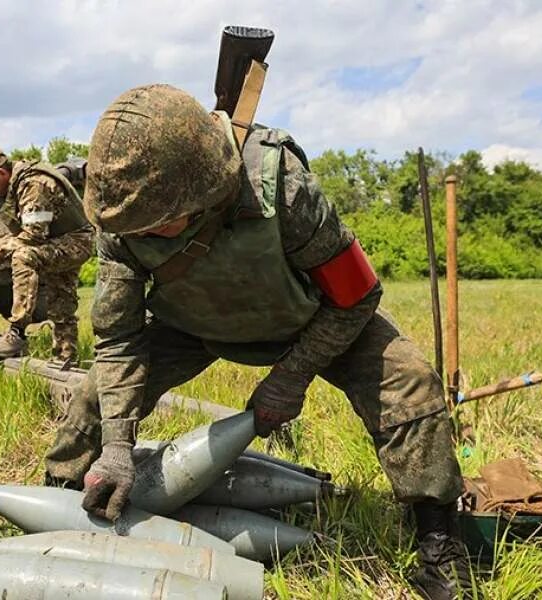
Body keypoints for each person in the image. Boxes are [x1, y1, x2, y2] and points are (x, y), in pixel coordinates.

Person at [42, 84, 471, 600]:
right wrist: (115, 448)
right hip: (193, 327)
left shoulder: (282, 186)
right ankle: (59, 503)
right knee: (94, 397)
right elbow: (119, 339)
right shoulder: (122, 221)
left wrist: (290, 378)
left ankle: (439, 541)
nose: (146, 237)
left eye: (159, 226)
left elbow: (357, 295)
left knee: (411, 385)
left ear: (204, 188)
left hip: (309, 318)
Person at [0, 148, 93, 365]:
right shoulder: (20, 182)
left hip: (75, 242)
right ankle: (66, 358)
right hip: (62, 240)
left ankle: (17, 332)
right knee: (61, 301)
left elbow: (34, 234)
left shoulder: (33, 184)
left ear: (1, 174)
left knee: (24, 257)